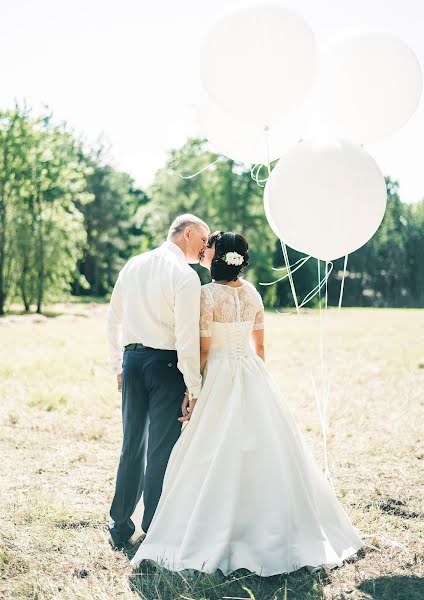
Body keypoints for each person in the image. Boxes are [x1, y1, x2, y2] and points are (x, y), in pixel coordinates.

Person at [131, 230, 363, 575]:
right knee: (267, 448)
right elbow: (261, 346)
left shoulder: (206, 295)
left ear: (216, 258)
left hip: (220, 372)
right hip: (251, 370)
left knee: (208, 450)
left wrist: (194, 392)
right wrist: (258, 380)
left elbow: (205, 349)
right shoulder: (253, 293)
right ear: (241, 260)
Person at [106, 214, 209, 549]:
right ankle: (153, 527)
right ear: (188, 234)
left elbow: (113, 317)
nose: (205, 248)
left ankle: (120, 524)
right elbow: (186, 337)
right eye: (203, 241)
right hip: (166, 365)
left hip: (132, 361)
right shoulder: (185, 275)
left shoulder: (134, 264)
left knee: (131, 444)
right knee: (161, 449)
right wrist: (194, 387)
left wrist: (117, 365)